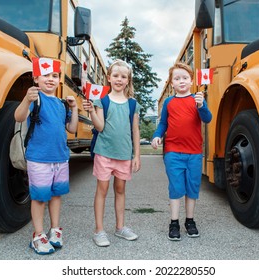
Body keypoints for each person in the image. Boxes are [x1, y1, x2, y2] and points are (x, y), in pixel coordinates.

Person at [14, 57, 78, 254]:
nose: (51, 79)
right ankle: (38, 235)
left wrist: (74, 108)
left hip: (60, 158)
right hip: (39, 158)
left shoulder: (61, 104)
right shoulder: (36, 99)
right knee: (40, 198)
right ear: (36, 78)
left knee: (57, 195)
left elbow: (72, 128)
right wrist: (26, 98)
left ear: (59, 80)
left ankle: (55, 230)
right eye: (46, 75)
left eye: (55, 75)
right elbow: (18, 116)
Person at [83, 59, 141, 247]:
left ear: (128, 80)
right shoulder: (102, 101)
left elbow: (135, 130)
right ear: (109, 78)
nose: (119, 79)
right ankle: (99, 230)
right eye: (115, 75)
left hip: (124, 155)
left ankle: (120, 227)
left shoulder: (132, 104)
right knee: (102, 189)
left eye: (123, 76)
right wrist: (92, 111)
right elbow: (99, 127)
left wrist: (137, 155)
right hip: (104, 154)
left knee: (120, 190)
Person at [151, 62, 212, 241]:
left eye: (185, 78)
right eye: (177, 78)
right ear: (172, 83)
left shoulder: (198, 99)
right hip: (173, 152)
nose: (181, 81)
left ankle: (190, 221)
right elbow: (163, 124)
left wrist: (202, 106)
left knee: (192, 188)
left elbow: (207, 119)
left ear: (192, 80)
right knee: (176, 187)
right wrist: (156, 135)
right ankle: (174, 222)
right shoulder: (169, 102)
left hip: (194, 152)